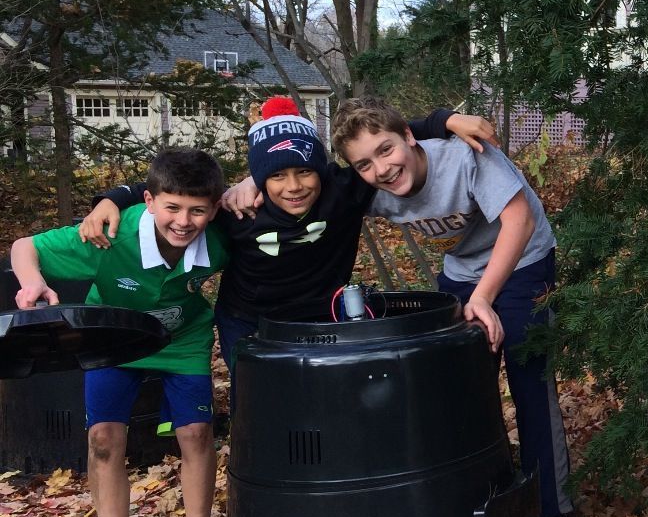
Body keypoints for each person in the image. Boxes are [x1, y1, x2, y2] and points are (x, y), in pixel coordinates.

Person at [80, 97, 497, 381]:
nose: (293, 186)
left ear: (322, 170)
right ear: (260, 178)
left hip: (323, 317)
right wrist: (115, 198)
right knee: (261, 403)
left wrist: (443, 120)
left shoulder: (346, 190)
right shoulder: (237, 209)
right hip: (249, 321)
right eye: (276, 176)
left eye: (304, 172)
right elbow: (178, 190)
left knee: (327, 400)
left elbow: (384, 142)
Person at [329, 97, 577, 517]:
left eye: (386, 150)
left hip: (524, 258)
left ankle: (552, 515)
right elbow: (302, 189)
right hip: (462, 271)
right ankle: (481, 501)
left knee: (528, 373)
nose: (381, 169)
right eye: (363, 163)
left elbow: (518, 220)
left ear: (408, 136)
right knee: (460, 384)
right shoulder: (370, 189)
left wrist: (484, 298)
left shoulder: (463, 155)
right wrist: (250, 185)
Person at [10, 148, 230, 517]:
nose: (184, 221)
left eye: (197, 210)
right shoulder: (109, 236)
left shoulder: (223, 237)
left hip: (181, 338)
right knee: (105, 439)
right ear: (149, 201)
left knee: (195, 433)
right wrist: (31, 282)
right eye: (172, 207)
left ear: (214, 207)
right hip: (111, 338)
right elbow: (24, 247)